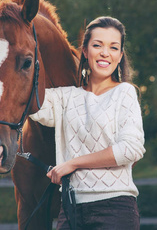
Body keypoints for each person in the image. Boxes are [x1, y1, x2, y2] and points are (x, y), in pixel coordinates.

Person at [29, 16, 146, 229]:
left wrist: (73, 163)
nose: (104, 53)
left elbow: (131, 149)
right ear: (85, 51)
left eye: (113, 47)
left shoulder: (124, 93)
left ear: (120, 56)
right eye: (97, 45)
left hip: (115, 210)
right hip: (71, 210)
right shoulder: (65, 98)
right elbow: (28, 102)